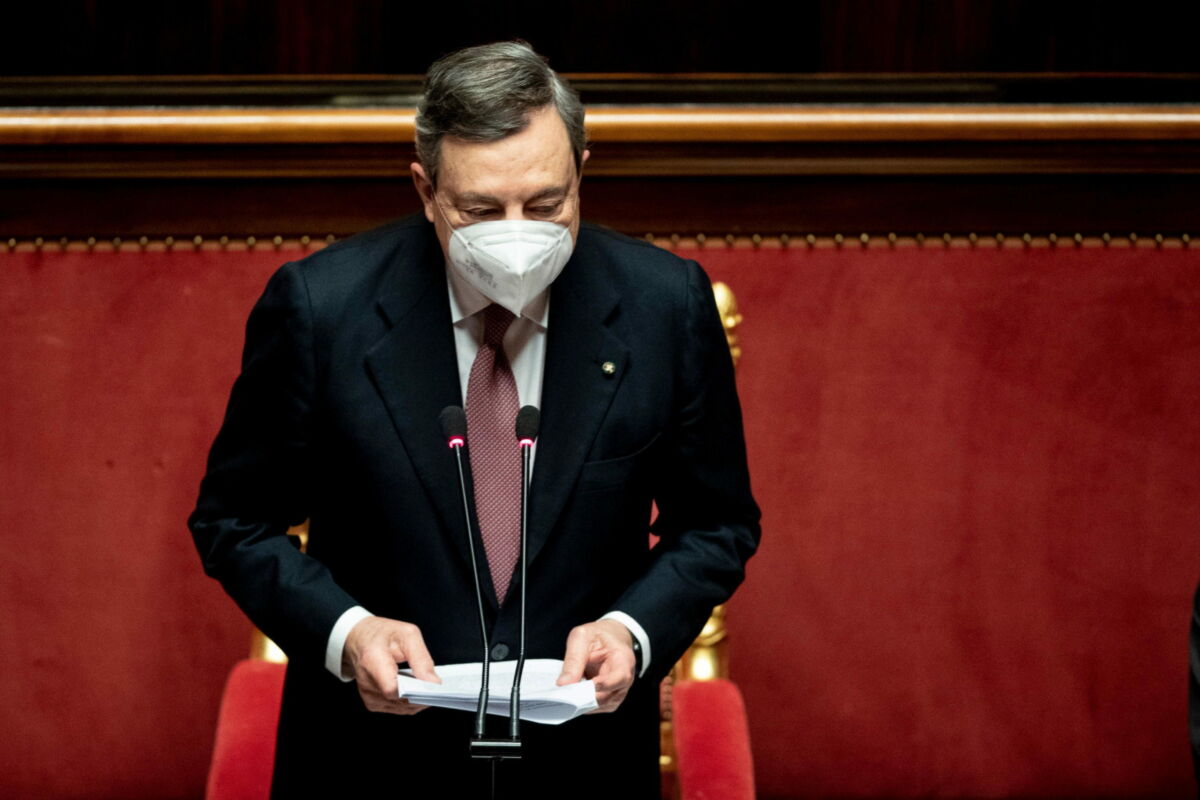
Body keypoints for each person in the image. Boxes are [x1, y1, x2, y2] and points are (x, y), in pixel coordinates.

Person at [189, 41, 760, 798]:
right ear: (427, 189)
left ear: (583, 170)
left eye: (548, 204)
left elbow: (716, 524)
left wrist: (632, 630)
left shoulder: (665, 306)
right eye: (482, 209)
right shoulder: (322, 310)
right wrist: (346, 632)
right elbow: (234, 522)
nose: (519, 234)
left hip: (584, 765)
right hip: (371, 762)